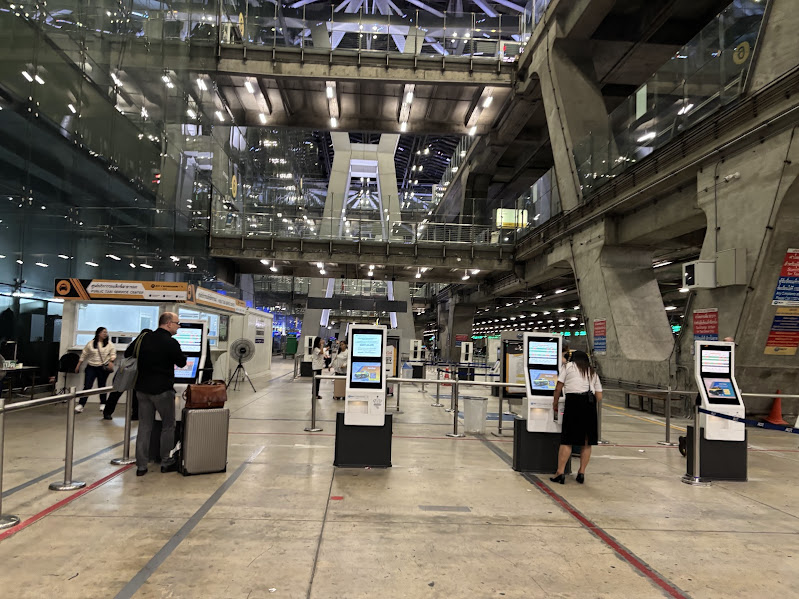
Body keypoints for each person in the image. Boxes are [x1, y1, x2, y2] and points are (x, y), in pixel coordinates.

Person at [133, 313, 186, 477]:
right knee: (168, 426)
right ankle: (166, 461)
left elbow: (130, 352)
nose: (178, 326)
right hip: (162, 390)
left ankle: (141, 466)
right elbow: (182, 362)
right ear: (169, 324)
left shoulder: (144, 338)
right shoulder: (170, 342)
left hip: (142, 389)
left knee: (144, 426)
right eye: (178, 323)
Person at [550, 350, 603, 484]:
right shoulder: (592, 372)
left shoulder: (568, 367)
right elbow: (599, 396)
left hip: (573, 403)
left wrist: (555, 403)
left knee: (567, 439)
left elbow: (558, 387)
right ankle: (581, 473)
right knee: (586, 441)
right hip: (589, 406)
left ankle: (560, 473)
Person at [102, 329, 152, 420]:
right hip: (131, 372)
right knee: (130, 394)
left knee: (119, 393)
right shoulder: (141, 345)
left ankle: (108, 412)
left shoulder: (133, 343)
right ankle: (134, 414)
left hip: (127, 371)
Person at [75, 327, 116, 413]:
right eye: (103, 332)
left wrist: (111, 362)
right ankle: (81, 404)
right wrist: (78, 366)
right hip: (91, 367)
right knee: (87, 386)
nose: (105, 334)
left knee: (102, 386)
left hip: (102, 368)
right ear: (98, 333)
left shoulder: (109, 344)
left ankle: (103, 403)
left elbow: (113, 354)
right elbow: (84, 355)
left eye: (106, 332)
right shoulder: (90, 343)